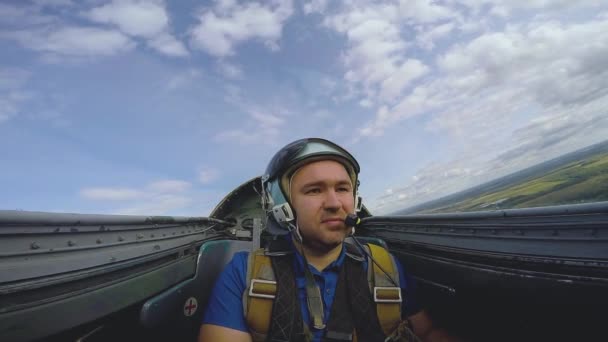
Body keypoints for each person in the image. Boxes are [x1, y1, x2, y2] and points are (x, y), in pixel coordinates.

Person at [199, 138, 458, 342]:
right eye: (314, 190)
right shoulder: (244, 274)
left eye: (343, 189)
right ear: (281, 205)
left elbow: (427, 333)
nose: (335, 204)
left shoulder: (385, 267)